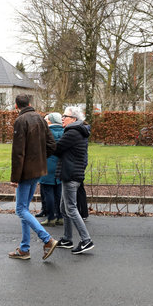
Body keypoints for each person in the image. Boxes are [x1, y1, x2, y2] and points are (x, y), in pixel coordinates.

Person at [8, 95, 58, 260]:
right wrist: (41, 159)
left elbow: (18, 152)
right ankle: (24, 248)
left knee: (20, 209)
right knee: (24, 210)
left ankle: (47, 239)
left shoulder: (20, 121)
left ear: (16, 106)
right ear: (30, 103)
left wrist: (15, 177)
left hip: (25, 172)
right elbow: (51, 145)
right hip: (38, 170)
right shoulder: (41, 119)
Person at [53, 106, 94, 254]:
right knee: (64, 208)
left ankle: (86, 240)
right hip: (71, 174)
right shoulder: (78, 131)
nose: (62, 118)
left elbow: (56, 149)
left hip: (70, 175)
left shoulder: (72, 132)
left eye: (65, 116)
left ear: (74, 119)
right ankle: (67, 238)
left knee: (70, 208)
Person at [38, 113, 64, 226]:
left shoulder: (45, 133)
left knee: (48, 192)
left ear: (50, 121)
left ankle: (50, 217)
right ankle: (60, 216)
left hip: (47, 164)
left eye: (46, 119)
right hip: (60, 165)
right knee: (59, 193)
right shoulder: (65, 132)